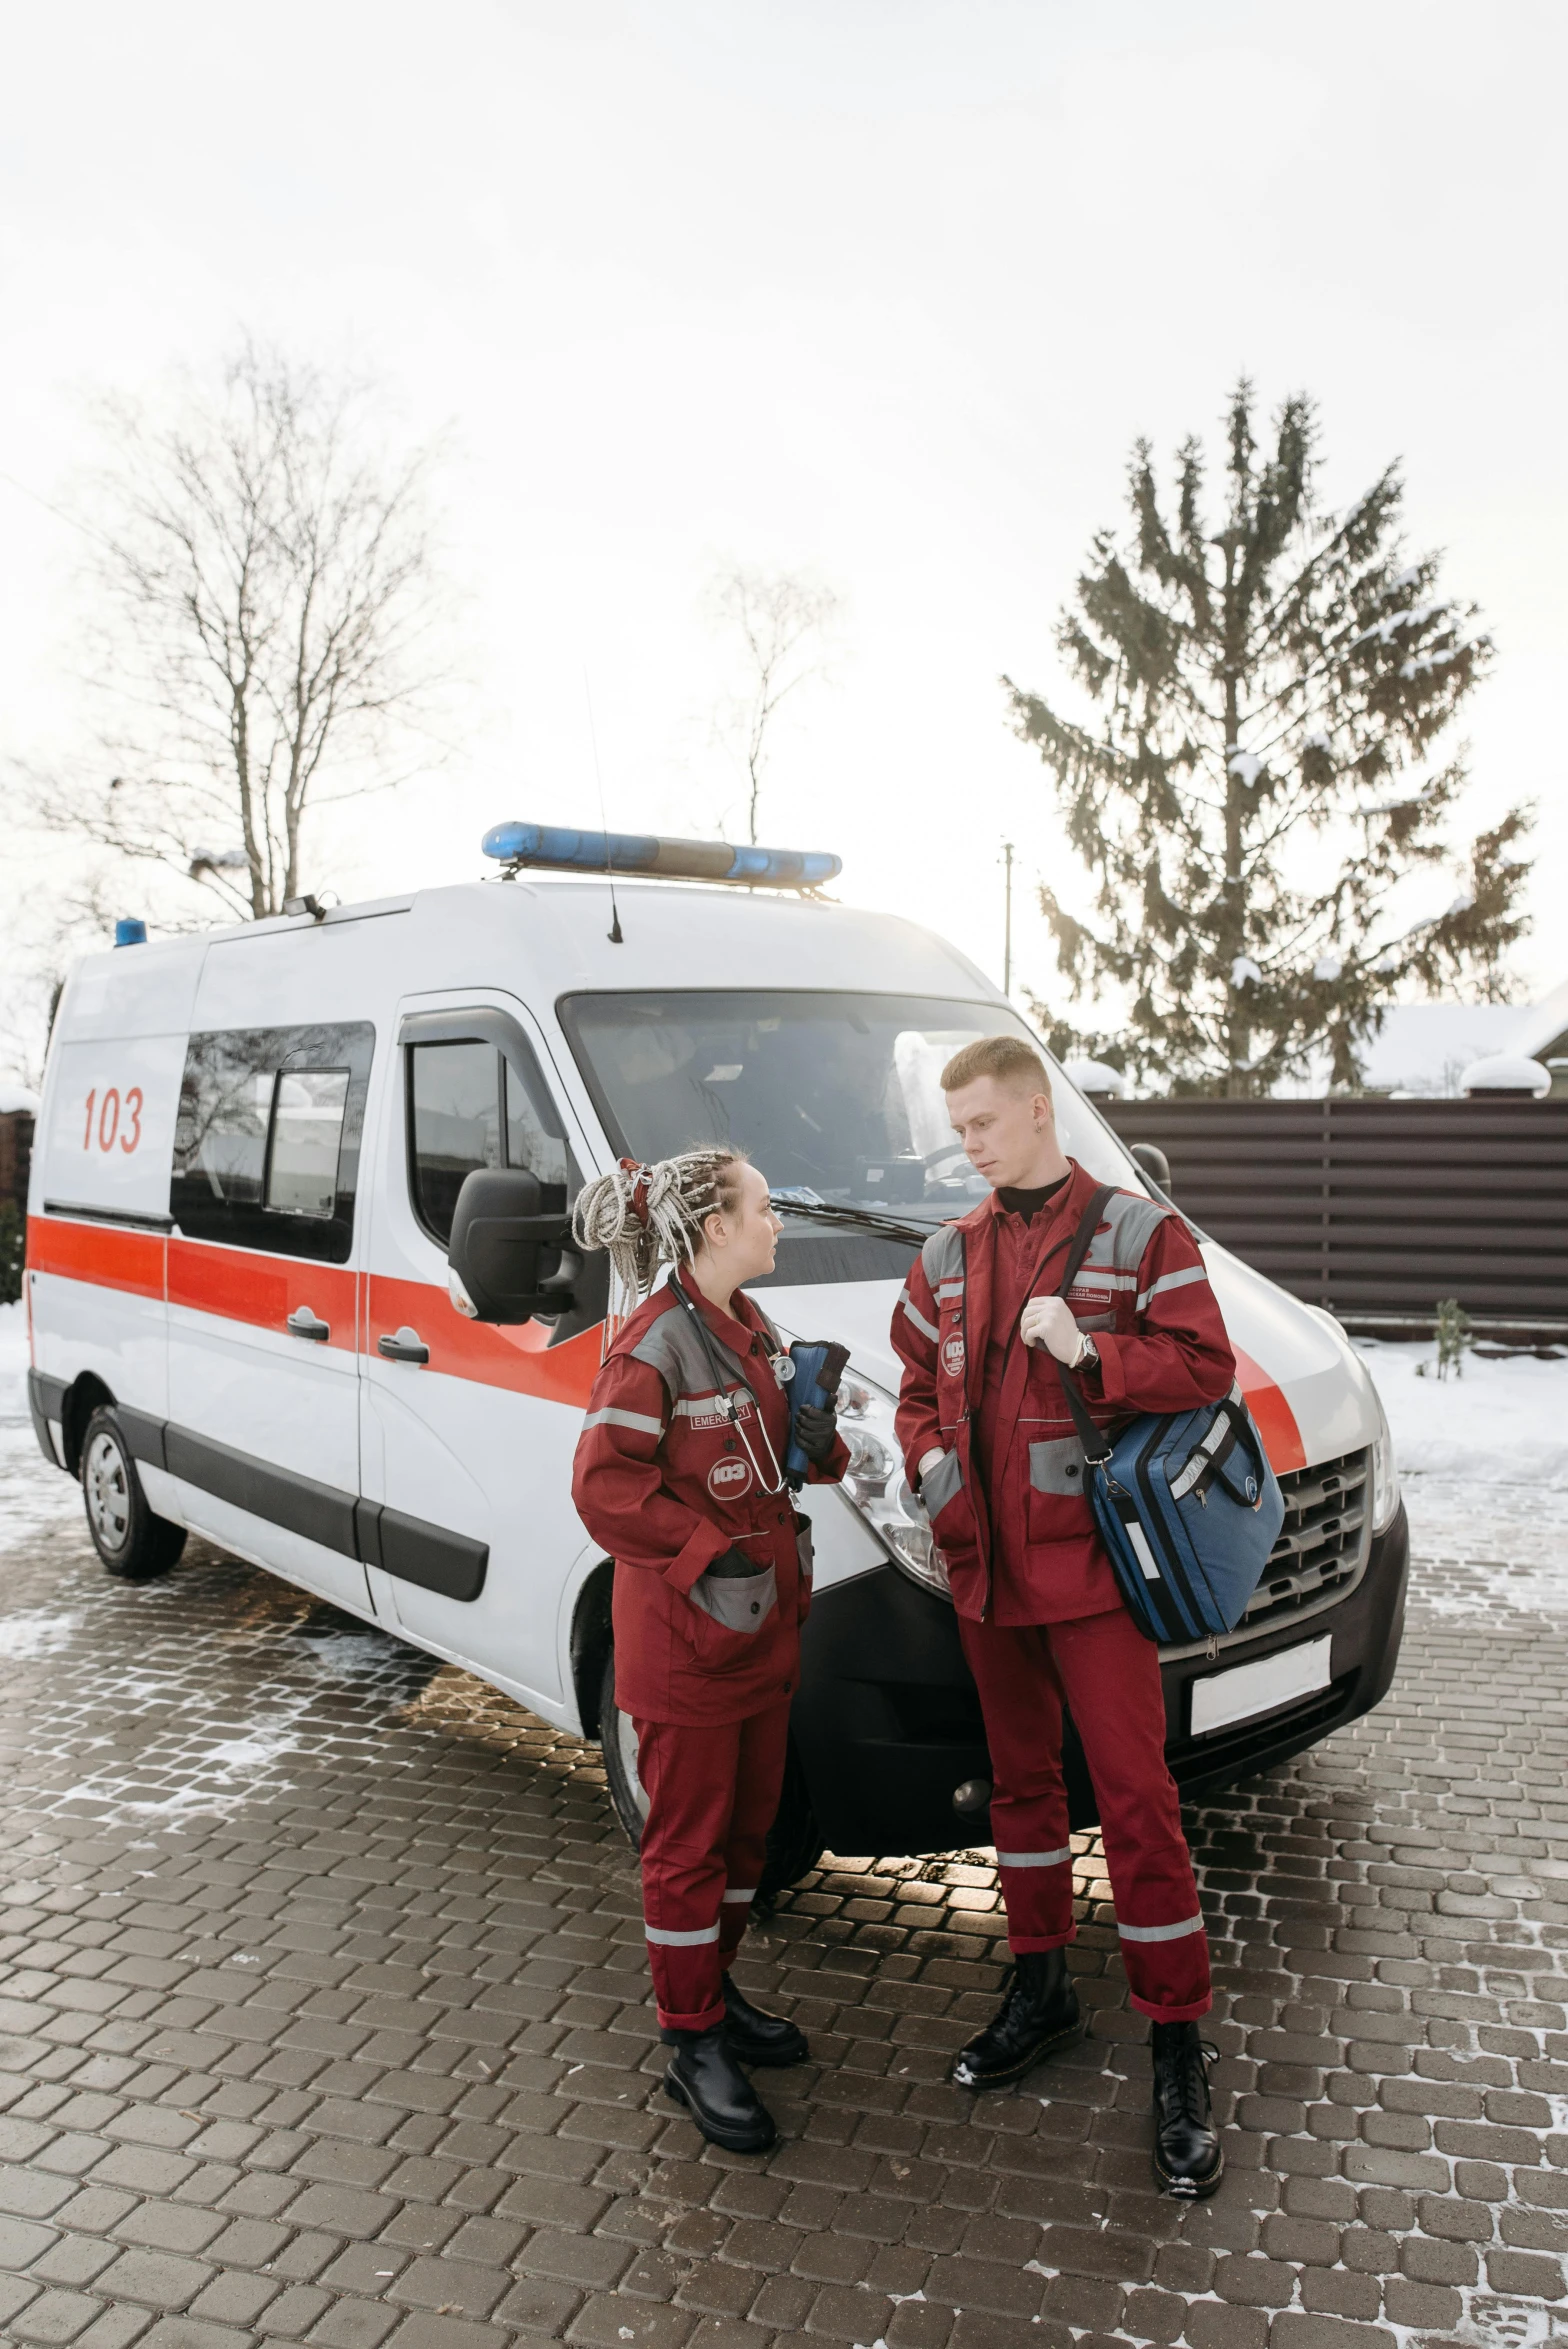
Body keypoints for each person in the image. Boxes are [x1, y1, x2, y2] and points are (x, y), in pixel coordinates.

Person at [890, 1035, 1235, 2198]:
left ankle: (1176, 2045)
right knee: (1020, 1793)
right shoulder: (945, 1255)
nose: (967, 1146)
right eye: (958, 1130)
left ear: (1037, 1111)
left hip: (1091, 1579)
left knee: (1136, 1802)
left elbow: (1205, 1368)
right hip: (986, 1577)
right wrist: (930, 1470)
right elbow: (912, 1393)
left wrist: (1091, 1351)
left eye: (982, 1124)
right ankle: (1037, 1989)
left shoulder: (1143, 1236)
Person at [571, 1149, 847, 2154]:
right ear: (714, 1226)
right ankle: (689, 2044)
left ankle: (713, 1994)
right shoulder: (650, 1349)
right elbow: (602, 1489)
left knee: (743, 1841)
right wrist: (702, 1555)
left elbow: (772, 1461)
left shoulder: (750, 1328)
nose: (778, 1221)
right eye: (765, 1206)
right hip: (690, 1646)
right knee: (686, 1852)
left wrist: (818, 1435)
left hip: (758, 1633)